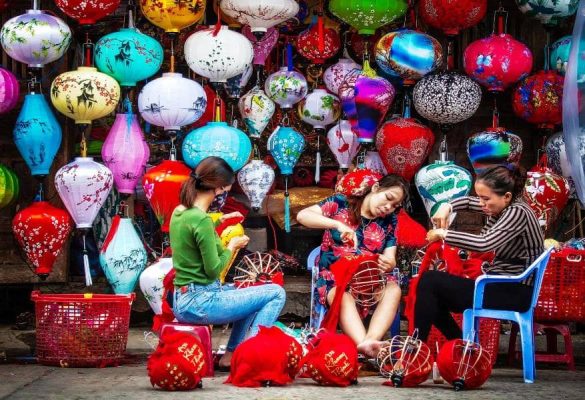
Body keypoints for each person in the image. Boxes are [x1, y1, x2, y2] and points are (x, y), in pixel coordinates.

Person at [170, 156, 286, 370]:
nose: (225, 194)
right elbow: (213, 270)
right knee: (276, 293)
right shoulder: (202, 221)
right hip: (201, 301)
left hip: (183, 297)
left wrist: (220, 219)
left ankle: (230, 354)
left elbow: (193, 226)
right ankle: (251, 355)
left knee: (251, 289)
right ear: (218, 187)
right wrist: (232, 246)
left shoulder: (181, 211)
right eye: (225, 190)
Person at [414, 165, 544, 341]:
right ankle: (460, 345)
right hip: (499, 286)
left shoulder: (517, 212)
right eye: (480, 198)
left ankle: (418, 348)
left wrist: (444, 233)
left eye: (485, 199)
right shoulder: (503, 205)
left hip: (513, 292)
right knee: (430, 293)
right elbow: (468, 202)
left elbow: (483, 243)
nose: (481, 204)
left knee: (430, 281)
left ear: (506, 196)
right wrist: (447, 206)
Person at [297, 171, 408, 358]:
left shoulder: (390, 221)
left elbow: (391, 257)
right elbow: (302, 216)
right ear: (376, 188)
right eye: (388, 198)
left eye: (394, 205)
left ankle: (371, 340)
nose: (388, 207)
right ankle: (367, 348)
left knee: (394, 289)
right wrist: (337, 225)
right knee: (343, 296)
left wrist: (388, 263)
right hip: (335, 278)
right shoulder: (341, 203)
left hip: (369, 279)